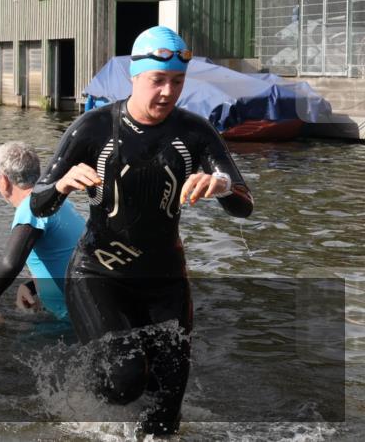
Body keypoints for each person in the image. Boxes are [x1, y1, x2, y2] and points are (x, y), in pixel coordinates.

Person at [31, 26, 254, 435]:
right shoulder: (93, 128)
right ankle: (86, 392)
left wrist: (221, 185)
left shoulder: (194, 132)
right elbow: (37, 201)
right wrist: (62, 185)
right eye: (158, 81)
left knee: (167, 405)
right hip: (98, 275)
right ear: (134, 76)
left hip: (165, 280)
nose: (168, 92)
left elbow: (244, 203)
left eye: (178, 82)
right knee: (124, 384)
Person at [0, 142, 85, 319]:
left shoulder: (31, 207)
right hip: (85, 307)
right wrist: (30, 286)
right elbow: (65, 259)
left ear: (4, 180)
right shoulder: (59, 202)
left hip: (70, 320)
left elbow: (9, 264)